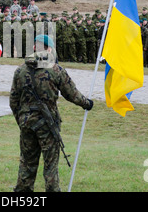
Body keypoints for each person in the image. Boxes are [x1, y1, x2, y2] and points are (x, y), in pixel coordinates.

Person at [9, 34, 93, 192]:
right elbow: (72, 94)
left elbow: (13, 101)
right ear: (48, 49)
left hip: (26, 123)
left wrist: (21, 119)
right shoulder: (56, 69)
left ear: (35, 47)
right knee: (50, 166)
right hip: (47, 125)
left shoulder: (20, 70)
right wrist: (87, 103)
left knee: (27, 163)